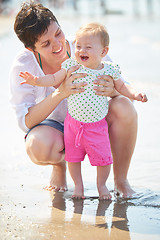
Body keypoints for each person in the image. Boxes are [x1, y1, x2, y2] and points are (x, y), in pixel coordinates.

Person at [10, 1, 138, 198]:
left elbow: (124, 88)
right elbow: (25, 122)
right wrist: (61, 92)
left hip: (94, 123)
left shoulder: (85, 47)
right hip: (57, 128)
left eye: (58, 33)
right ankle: (59, 167)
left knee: (125, 107)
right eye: (46, 43)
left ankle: (120, 181)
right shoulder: (23, 66)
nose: (58, 45)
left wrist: (112, 89)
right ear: (31, 49)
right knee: (38, 146)